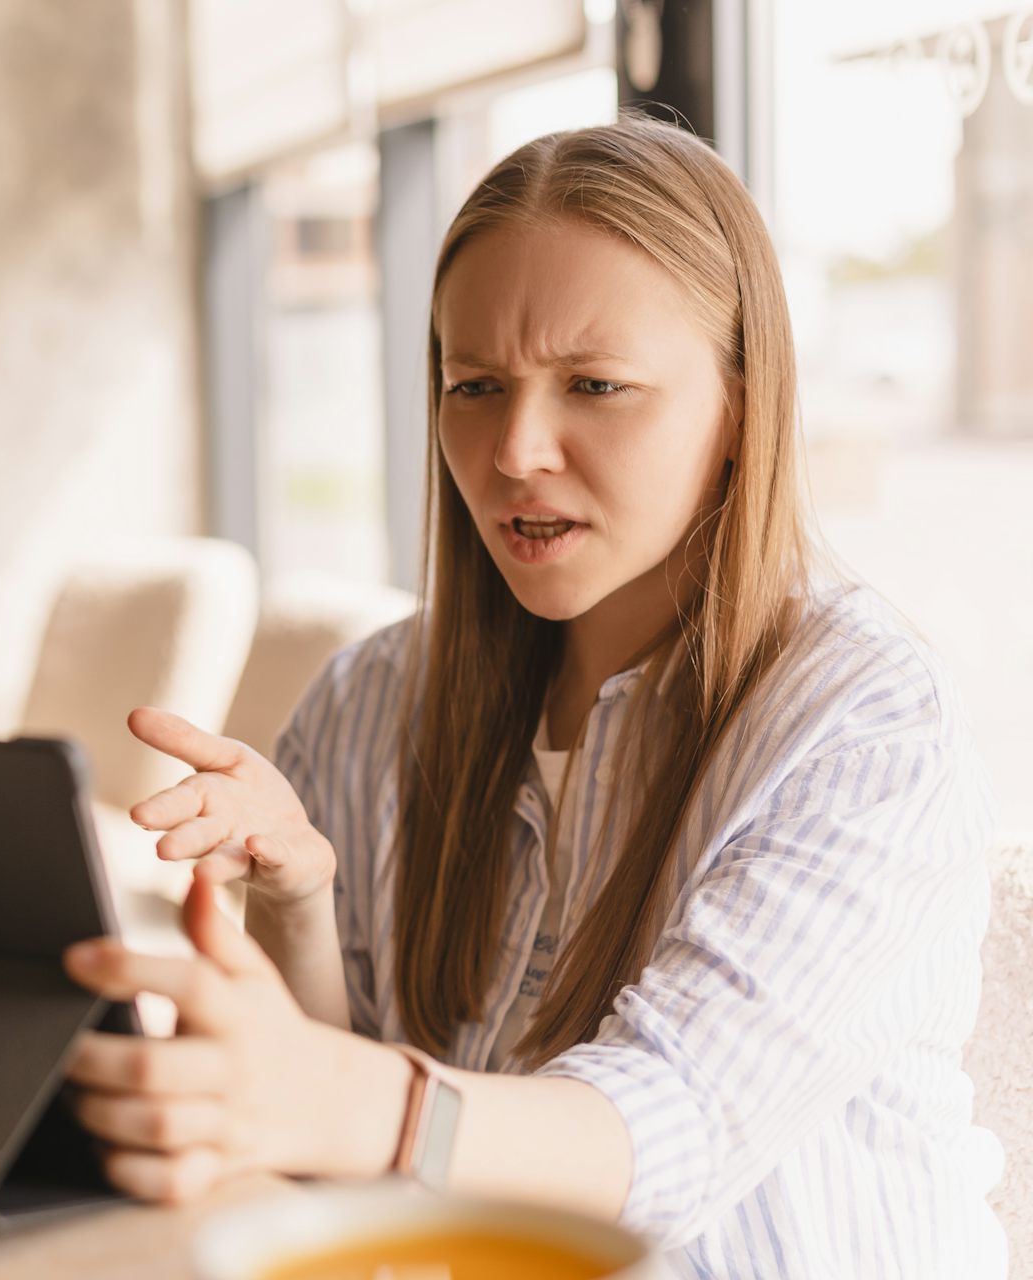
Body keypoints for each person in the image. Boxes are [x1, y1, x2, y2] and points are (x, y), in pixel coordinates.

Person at [59, 117, 1003, 1277]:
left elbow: (665, 1128)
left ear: (742, 404)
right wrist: (301, 907)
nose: (514, 449)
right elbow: (353, 1174)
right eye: (475, 385)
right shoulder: (374, 693)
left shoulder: (863, 728)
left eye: (595, 385)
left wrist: (354, 1101)